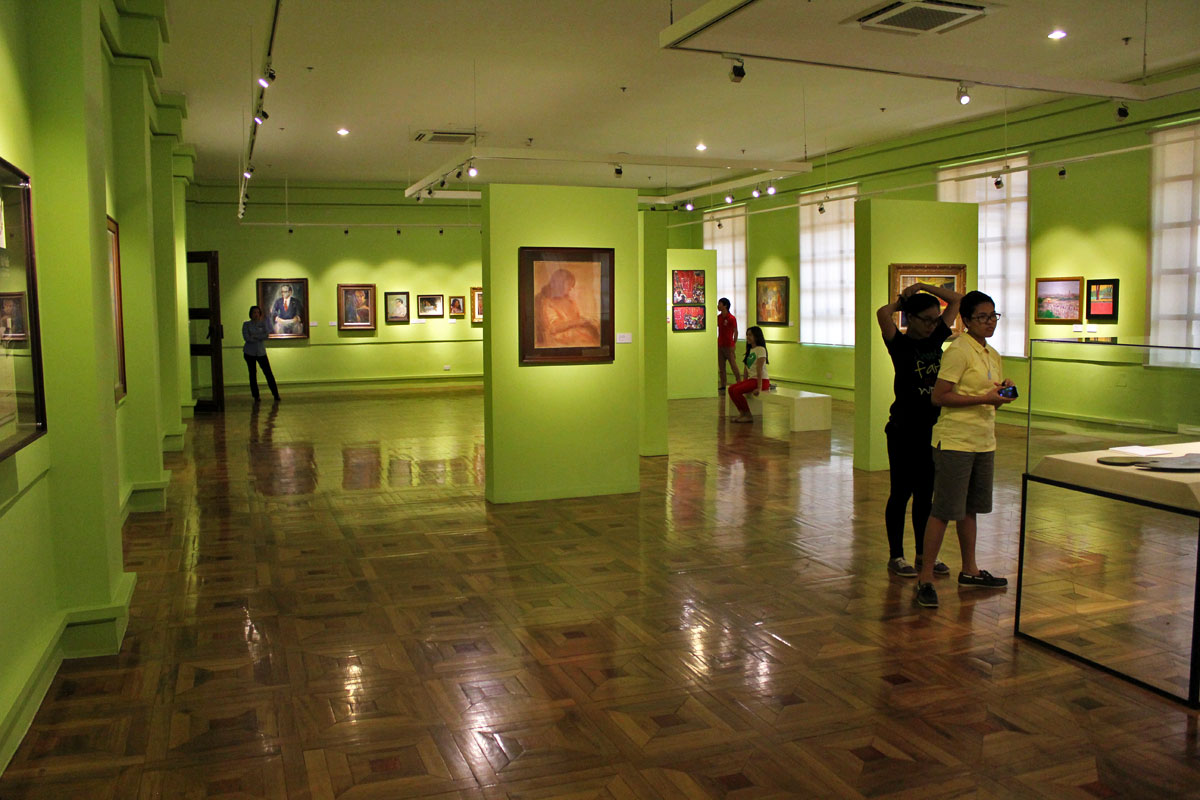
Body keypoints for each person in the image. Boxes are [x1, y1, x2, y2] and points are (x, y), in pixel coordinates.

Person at [915, 291, 1015, 608]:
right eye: (982, 317)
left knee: (970, 508)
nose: (989, 322)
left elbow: (986, 397)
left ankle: (969, 569)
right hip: (955, 441)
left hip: (984, 441)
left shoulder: (992, 354)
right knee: (944, 510)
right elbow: (939, 396)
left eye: (993, 316)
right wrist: (984, 399)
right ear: (967, 320)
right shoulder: (958, 351)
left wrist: (997, 396)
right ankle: (925, 578)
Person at [876, 281, 963, 578]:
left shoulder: (936, 337)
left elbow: (957, 300)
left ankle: (924, 555)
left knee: (926, 494)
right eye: (925, 319)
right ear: (910, 319)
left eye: (934, 320)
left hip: (932, 428)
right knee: (901, 492)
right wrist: (902, 303)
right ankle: (896, 555)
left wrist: (925, 286)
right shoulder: (899, 344)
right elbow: (881, 313)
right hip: (903, 428)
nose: (932, 325)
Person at [535, 268, 600, 347]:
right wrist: (577, 322)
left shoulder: (569, 300)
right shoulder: (547, 303)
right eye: (569, 285)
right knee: (588, 338)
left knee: (595, 329)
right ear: (559, 284)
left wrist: (586, 321)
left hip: (575, 332)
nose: (571, 288)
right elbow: (553, 328)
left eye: (572, 286)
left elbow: (576, 318)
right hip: (560, 337)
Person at [728, 325, 768, 423]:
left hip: (761, 381)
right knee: (731, 389)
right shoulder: (750, 349)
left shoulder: (761, 349)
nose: (748, 337)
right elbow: (746, 368)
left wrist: (759, 387)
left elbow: (759, 369)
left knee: (736, 391)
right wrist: (744, 382)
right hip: (752, 380)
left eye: (750, 335)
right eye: (747, 335)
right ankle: (742, 413)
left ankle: (748, 414)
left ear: (756, 336)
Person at [242, 305, 280, 402]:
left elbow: (266, 335)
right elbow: (247, 338)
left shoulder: (263, 323)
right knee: (252, 374)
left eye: (257, 312)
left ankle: (276, 394)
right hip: (249, 352)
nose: (256, 314)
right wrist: (258, 336)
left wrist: (255, 335)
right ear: (250, 314)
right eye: (254, 312)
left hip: (261, 352)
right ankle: (256, 396)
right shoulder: (246, 324)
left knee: (268, 373)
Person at [716, 297, 739, 394]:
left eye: (720, 304)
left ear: (725, 305)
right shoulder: (718, 317)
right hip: (720, 345)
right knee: (721, 368)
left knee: (733, 365)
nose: (718, 306)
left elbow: (735, 331)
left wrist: (734, 343)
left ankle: (739, 382)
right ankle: (723, 385)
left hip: (729, 346)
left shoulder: (732, 318)